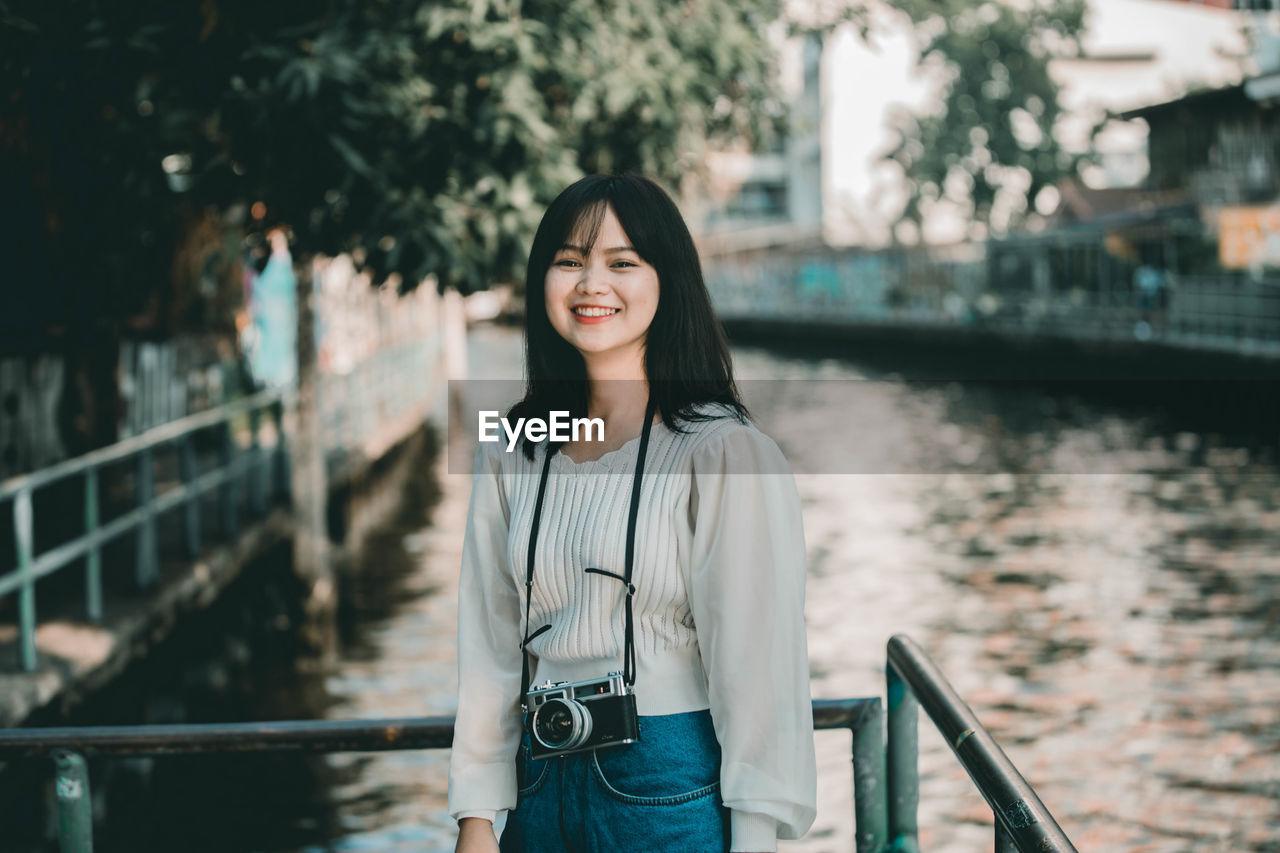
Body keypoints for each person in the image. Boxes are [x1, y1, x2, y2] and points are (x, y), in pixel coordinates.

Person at [448, 175, 816, 853]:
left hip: (666, 781)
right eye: (568, 260)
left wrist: (755, 840)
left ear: (666, 281)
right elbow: (489, 645)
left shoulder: (723, 450)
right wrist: (475, 816)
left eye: (622, 262)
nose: (591, 283)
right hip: (538, 782)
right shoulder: (512, 447)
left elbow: (759, 667)